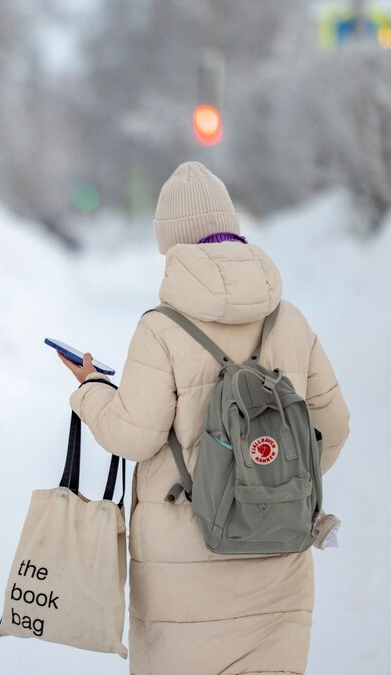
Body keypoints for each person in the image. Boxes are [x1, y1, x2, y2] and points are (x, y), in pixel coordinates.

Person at [59, 162, 350, 675]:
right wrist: (272, 483)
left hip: (184, 565)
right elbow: (335, 426)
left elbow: (131, 435)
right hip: (280, 555)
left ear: (171, 244)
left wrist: (91, 391)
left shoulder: (161, 328)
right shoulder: (292, 319)